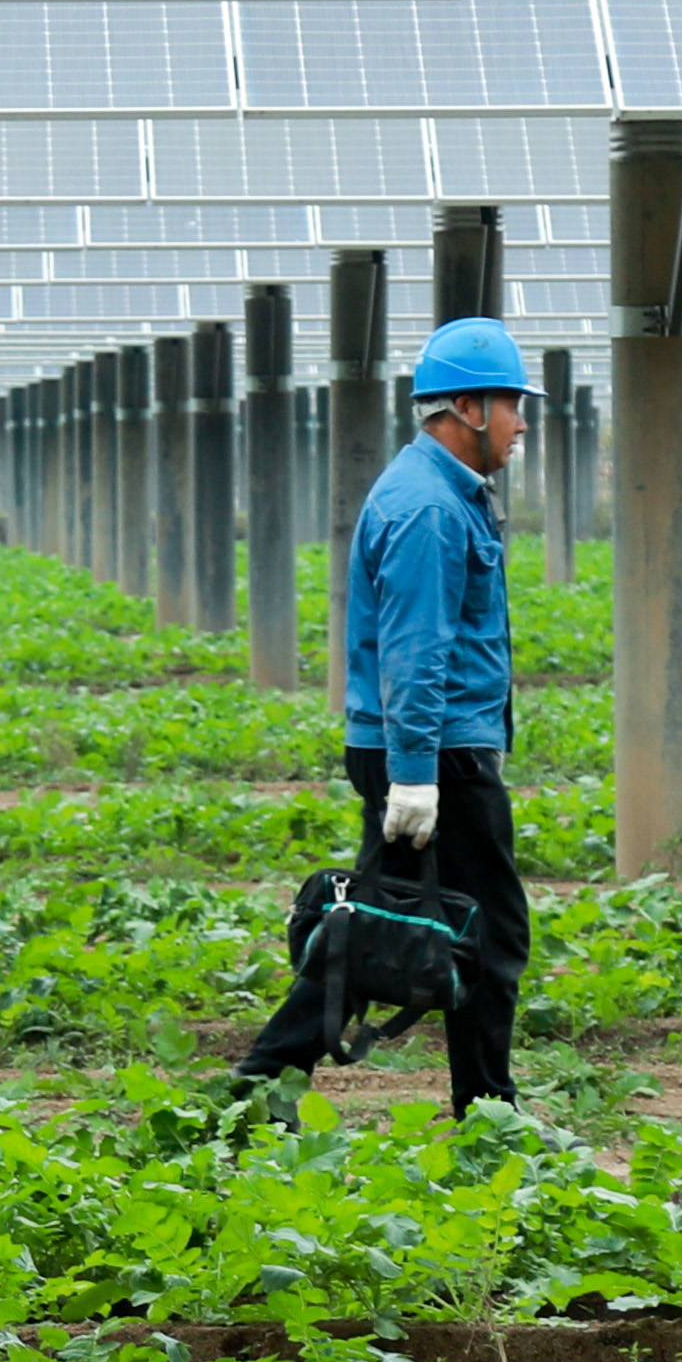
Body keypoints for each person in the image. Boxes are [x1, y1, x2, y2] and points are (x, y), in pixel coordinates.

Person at [235, 314, 530, 1115]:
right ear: (467, 408)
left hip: (426, 749)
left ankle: (261, 1084)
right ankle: (490, 1115)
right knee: (493, 935)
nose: (522, 421)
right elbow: (416, 650)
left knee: (378, 930)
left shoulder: (439, 491)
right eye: (512, 404)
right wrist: (415, 778)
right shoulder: (429, 507)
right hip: (434, 755)